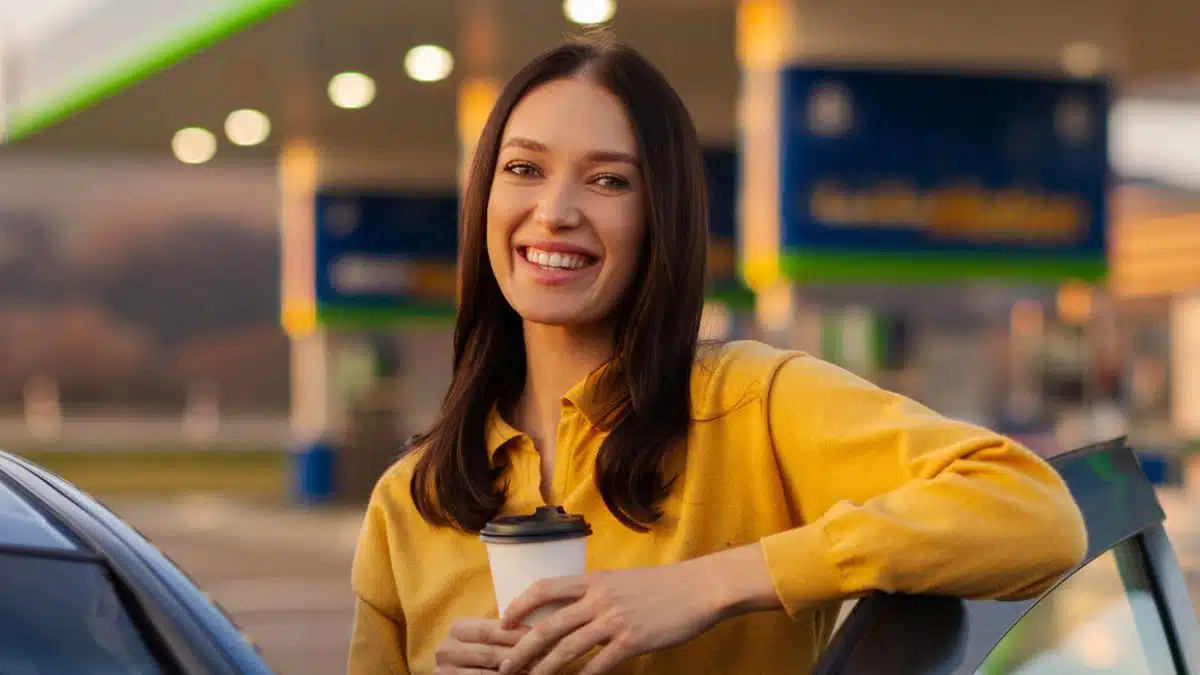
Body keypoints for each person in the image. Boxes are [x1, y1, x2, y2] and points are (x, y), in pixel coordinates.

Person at [348, 37, 1088, 675]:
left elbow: (1035, 513)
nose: (555, 210)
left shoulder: (751, 404)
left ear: (660, 216)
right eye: (524, 169)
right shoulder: (408, 501)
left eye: (609, 179)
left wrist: (718, 583)